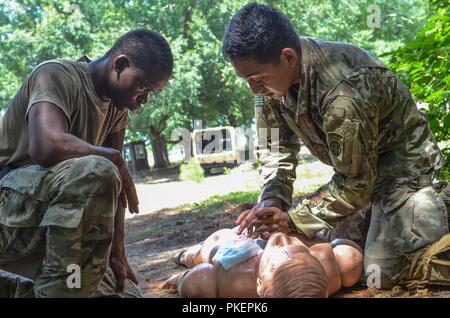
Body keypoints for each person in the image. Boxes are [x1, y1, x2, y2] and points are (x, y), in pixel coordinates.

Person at [221, 3, 449, 289]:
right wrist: (271, 203)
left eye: (257, 79)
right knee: (331, 243)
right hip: (360, 181)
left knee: (383, 272)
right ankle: (377, 218)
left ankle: (438, 202)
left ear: (288, 57)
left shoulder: (342, 89)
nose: (254, 89)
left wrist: (291, 221)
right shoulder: (270, 86)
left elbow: (356, 184)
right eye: (247, 81)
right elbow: (276, 152)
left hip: (405, 175)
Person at [0, 29, 173, 297]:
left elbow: (114, 188)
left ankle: (45, 285)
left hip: (56, 224)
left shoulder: (117, 109)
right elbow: (45, 146)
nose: (145, 99)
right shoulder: (55, 75)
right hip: (9, 212)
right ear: (121, 64)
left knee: (127, 292)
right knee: (98, 170)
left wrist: (118, 254)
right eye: (144, 86)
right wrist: (111, 158)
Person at [161, 227, 363, 298]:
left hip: (235, 243)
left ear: (260, 286)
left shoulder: (229, 282)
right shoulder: (339, 267)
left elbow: (196, 281)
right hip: (269, 222)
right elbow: (348, 249)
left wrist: (180, 278)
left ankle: (183, 255)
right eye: (298, 250)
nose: (281, 239)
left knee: (201, 253)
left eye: (275, 262)